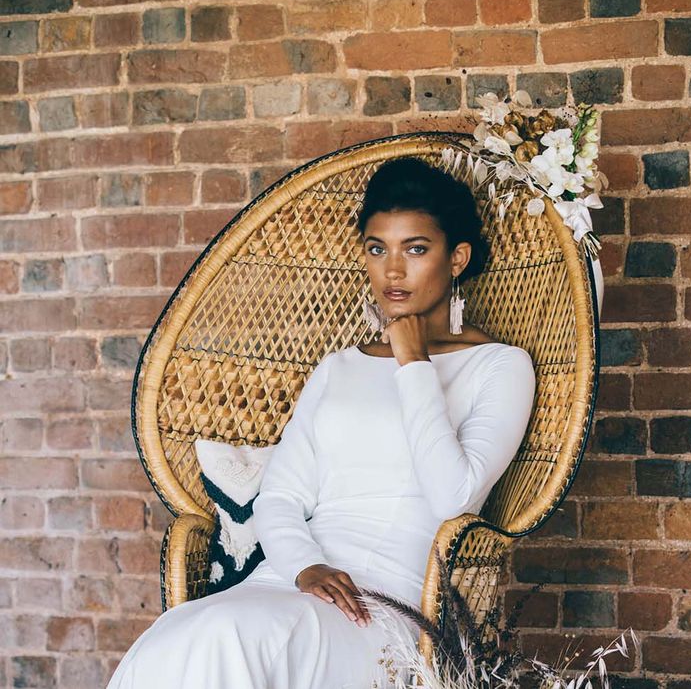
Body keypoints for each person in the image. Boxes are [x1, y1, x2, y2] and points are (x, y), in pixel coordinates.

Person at [107, 157, 544, 689]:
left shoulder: (500, 366)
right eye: (377, 248)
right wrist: (303, 568)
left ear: (458, 258)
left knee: (232, 636)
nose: (393, 270)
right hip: (291, 579)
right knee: (184, 633)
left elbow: (453, 497)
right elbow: (280, 498)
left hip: (386, 601)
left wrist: (414, 365)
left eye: (417, 249)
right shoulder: (339, 368)